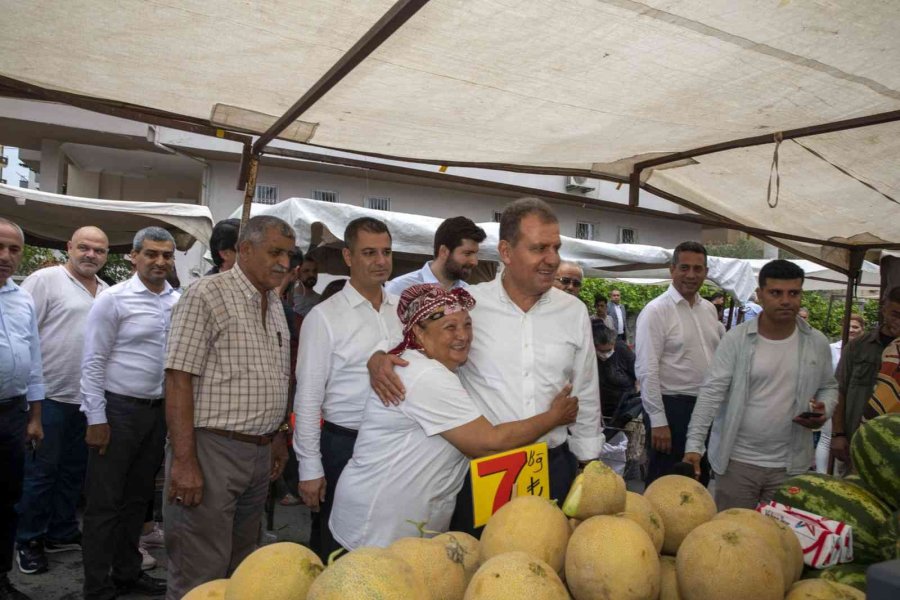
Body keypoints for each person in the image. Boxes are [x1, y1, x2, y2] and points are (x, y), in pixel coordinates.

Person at [370, 198, 602, 535]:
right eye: (539, 248)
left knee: (546, 570)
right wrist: (376, 357)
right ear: (506, 252)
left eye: (556, 247)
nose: (552, 260)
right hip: (485, 470)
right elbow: (403, 337)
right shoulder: (469, 306)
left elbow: (586, 391)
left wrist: (588, 462)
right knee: (484, 571)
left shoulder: (573, 312)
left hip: (554, 467)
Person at [330, 284, 578, 549]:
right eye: (450, 327)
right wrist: (553, 417)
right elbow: (488, 441)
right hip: (377, 525)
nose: (463, 336)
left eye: (467, 325)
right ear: (419, 333)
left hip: (406, 524)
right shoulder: (424, 375)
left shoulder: (442, 368)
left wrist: (378, 355)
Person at [163, 216, 295, 600]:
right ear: (246, 249)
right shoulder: (206, 294)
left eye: (288, 254)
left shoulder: (272, 302)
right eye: (275, 252)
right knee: (199, 571)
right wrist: (185, 462)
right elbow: (178, 379)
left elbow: (271, 378)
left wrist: (276, 438)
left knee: (243, 570)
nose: (284, 263)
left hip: (257, 453)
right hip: (210, 451)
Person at [683, 260, 837, 510]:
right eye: (776, 293)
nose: (786, 300)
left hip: (791, 465)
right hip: (737, 462)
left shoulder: (816, 342)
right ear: (760, 295)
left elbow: (828, 386)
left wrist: (824, 409)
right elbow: (711, 393)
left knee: (780, 542)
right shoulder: (737, 340)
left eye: (793, 293)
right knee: (734, 538)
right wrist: (693, 446)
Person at [79, 227, 180, 599]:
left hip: (156, 415)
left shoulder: (177, 302)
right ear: (134, 257)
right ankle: (97, 585)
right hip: (117, 412)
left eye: (166, 256)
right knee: (104, 504)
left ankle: (127, 574)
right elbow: (92, 362)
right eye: (151, 254)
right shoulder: (114, 300)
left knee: (138, 500)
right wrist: (96, 418)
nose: (159, 262)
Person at [294, 217, 403, 558]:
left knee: (390, 542)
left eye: (385, 252)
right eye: (369, 252)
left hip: (397, 446)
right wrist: (310, 468)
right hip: (345, 445)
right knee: (342, 546)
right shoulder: (324, 317)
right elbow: (309, 399)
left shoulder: (402, 310)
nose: (380, 261)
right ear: (348, 257)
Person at [13, 227, 109, 576]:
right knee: (41, 473)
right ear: (69, 247)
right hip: (47, 396)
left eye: (99, 250)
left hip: (86, 401)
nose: (91, 255)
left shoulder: (107, 292)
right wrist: (28, 398)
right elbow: (23, 332)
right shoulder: (45, 280)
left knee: (73, 471)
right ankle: (29, 539)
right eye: (84, 248)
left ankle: (61, 531)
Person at [635, 241, 724, 487]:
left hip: (705, 408)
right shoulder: (656, 311)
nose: (691, 275)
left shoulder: (708, 310)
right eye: (684, 268)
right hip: (672, 409)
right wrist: (658, 421)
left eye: (698, 269)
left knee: (698, 482)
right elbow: (646, 370)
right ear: (672, 269)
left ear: (706, 272)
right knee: (666, 485)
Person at [0, 217, 45, 600]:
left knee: (9, 498)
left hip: (11, 414)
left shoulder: (22, 299)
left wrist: (34, 416)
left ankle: (0, 578)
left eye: (14, 249)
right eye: (0, 247)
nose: (6, 256)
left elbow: (33, 360)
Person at [831, 287, 900, 466]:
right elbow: (839, 390)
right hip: (855, 441)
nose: (899, 321)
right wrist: (838, 434)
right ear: (883, 309)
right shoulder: (858, 347)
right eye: (895, 314)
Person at [815, 314, 865, 474]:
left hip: (855, 400)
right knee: (827, 437)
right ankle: (822, 473)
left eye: (856, 327)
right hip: (834, 397)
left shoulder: (864, 349)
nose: (852, 330)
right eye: (848, 326)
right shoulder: (832, 348)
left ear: (862, 329)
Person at [386, 216, 486, 295]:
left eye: (475, 254)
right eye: (467, 253)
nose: (474, 262)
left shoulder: (469, 293)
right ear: (443, 251)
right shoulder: (400, 289)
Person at [593, 325, 637, 421]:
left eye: (609, 350)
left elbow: (639, 375)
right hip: (601, 406)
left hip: (624, 404)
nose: (605, 354)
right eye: (601, 351)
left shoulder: (622, 350)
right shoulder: (590, 356)